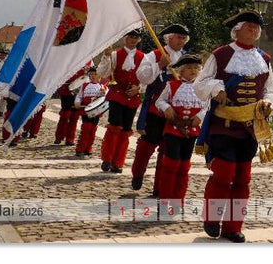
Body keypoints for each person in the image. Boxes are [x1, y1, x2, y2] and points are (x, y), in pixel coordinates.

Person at [194, 10, 273, 243]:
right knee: (223, 174)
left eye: (257, 27)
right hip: (224, 126)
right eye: (250, 26)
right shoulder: (221, 55)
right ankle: (212, 218)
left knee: (243, 178)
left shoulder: (265, 58)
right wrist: (215, 89)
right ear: (237, 29)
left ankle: (233, 226)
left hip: (250, 128)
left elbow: (271, 88)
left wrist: (269, 102)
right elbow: (200, 84)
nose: (254, 30)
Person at [131, 24, 190, 193]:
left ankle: (159, 187)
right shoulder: (154, 55)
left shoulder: (186, 58)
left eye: (184, 38)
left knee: (167, 152)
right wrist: (159, 64)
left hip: (176, 113)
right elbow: (142, 77)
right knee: (147, 146)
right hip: (155, 110)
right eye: (179, 37)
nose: (182, 40)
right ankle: (138, 173)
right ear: (169, 38)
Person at [155, 54, 207, 200]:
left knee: (184, 166)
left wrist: (200, 117)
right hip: (173, 129)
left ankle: (178, 199)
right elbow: (160, 101)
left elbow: (207, 106)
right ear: (181, 71)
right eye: (189, 68)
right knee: (171, 163)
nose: (193, 71)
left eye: (196, 68)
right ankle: (165, 197)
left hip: (191, 130)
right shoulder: (171, 85)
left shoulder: (202, 88)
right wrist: (166, 108)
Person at [97, 29, 145, 173]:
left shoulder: (143, 57)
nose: (133, 40)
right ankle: (107, 158)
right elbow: (102, 73)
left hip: (133, 96)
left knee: (126, 130)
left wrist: (139, 88)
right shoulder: (115, 55)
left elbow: (147, 77)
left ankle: (118, 162)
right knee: (114, 127)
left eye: (136, 38)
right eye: (131, 37)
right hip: (117, 94)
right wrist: (106, 56)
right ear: (125, 39)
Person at [73, 67, 107, 157]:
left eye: (94, 74)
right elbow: (79, 95)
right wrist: (77, 102)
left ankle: (88, 148)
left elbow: (106, 97)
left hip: (96, 111)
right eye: (91, 74)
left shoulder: (102, 86)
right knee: (86, 128)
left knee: (93, 129)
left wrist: (104, 93)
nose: (92, 76)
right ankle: (80, 148)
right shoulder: (84, 85)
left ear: (99, 75)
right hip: (86, 110)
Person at [55, 63, 91, 146]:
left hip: (78, 92)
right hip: (66, 90)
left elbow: (89, 77)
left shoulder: (89, 60)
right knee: (65, 115)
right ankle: (59, 136)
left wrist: (86, 73)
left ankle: (70, 138)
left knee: (74, 116)